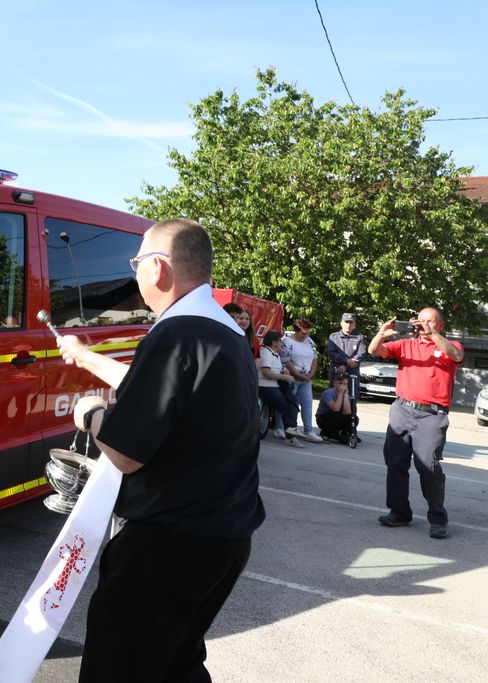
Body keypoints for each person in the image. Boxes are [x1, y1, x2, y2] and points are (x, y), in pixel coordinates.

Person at [57, 218, 265, 682]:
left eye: (137, 262)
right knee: (176, 665)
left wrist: (90, 414)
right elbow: (156, 391)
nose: (134, 272)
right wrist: (85, 356)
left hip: (167, 545)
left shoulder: (176, 334)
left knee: (118, 669)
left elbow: (126, 452)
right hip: (222, 539)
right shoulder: (223, 332)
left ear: (158, 268)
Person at [369, 307, 463, 540]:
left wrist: (432, 335)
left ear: (441, 325)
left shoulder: (450, 345)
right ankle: (399, 513)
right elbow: (374, 350)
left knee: (428, 467)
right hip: (402, 409)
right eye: (420, 320)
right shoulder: (406, 344)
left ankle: (438, 519)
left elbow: (456, 355)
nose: (423, 324)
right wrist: (381, 334)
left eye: (429, 321)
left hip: (432, 415)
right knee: (395, 462)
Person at [276, 319, 323, 443]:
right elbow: (286, 360)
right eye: (303, 333)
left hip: (306, 379)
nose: (305, 335)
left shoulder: (309, 341)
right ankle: (280, 427)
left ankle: (309, 431)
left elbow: (314, 358)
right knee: (288, 403)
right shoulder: (287, 342)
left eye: (308, 333)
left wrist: (311, 374)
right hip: (292, 378)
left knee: (307, 405)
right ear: (296, 331)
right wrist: (297, 374)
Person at [257, 330, 306, 448]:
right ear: (274, 342)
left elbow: (274, 371)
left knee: (294, 400)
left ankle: (291, 431)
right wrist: (284, 377)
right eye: (280, 340)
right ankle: (291, 432)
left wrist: (284, 372)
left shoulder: (275, 353)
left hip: (275, 385)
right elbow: (266, 372)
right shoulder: (266, 352)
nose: (282, 343)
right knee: (285, 404)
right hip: (265, 386)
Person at [326, 312, 365, 438]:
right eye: (346, 322)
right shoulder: (333, 337)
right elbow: (331, 352)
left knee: (351, 402)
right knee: (334, 400)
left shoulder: (359, 338)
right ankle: (331, 430)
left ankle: (350, 431)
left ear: (354, 324)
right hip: (337, 373)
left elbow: (361, 355)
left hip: (351, 375)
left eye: (351, 322)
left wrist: (346, 366)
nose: (348, 325)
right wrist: (345, 361)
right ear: (341, 323)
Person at [316, 373, 357, 443]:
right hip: (324, 419)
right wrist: (340, 393)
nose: (342, 386)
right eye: (340, 383)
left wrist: (345, 395)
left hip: (339, 418)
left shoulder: (347, 394)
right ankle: (326, 433)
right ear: (334, 384)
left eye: (345, 384)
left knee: (354, 418)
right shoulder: (328, 393)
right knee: (337, 415)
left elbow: (348, 413)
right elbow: (335, 409)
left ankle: (346, 434)